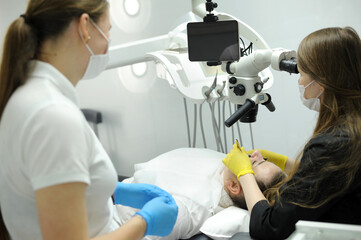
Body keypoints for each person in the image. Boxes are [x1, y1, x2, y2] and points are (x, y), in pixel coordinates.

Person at [0, 1, 177, 240]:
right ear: (85, 27)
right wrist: (144, 222)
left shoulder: (27, 99)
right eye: (108, 31)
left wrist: (110, 190)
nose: (108, 43)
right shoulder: (52, 116)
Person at [222, 26, 361, 239]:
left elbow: (268, 228)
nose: (300, 81)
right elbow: (331, 180)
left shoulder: (334, 143)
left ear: (322, 82)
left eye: (302, 73)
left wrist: (244, 173)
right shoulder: (350, 131)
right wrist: (285, 162)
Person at [113, 148, 287, 239]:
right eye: (264, 160)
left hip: (111, 219)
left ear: (234, 186)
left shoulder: (191, 208)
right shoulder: (224, 173)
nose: (256, 154)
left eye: (254, 164)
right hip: (115, 190)